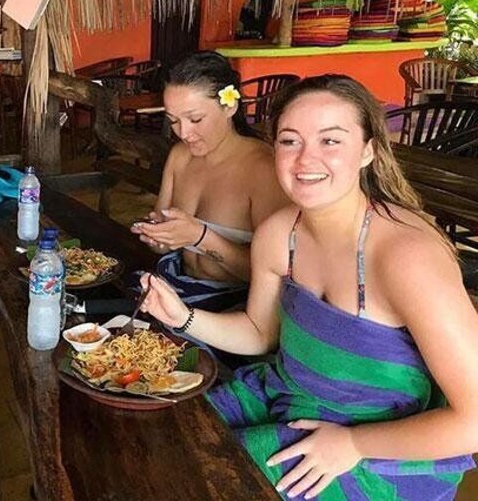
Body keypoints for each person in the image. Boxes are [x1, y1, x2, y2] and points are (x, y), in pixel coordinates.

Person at [139, 75, 478, 500]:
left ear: (368, 150)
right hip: (287, 394)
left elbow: (474, 422)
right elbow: (260, 332)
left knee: (208, 482)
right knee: (167, 436)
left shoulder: (407, 256)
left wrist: (354, 444)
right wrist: (182, 316)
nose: (305, 159)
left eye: (330, 141)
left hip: (380, 443)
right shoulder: (280, 233)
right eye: (289, 141)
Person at [130, 51, 286, 313]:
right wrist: (158, 237)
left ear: (230, 106)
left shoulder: (263, 169)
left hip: (235, 309)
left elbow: (273, 279)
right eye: (173, 121)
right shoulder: (180, 157)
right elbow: (162, 234)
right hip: (176, 285)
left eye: (196, 119)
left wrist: (200, 238)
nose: (184, 133)